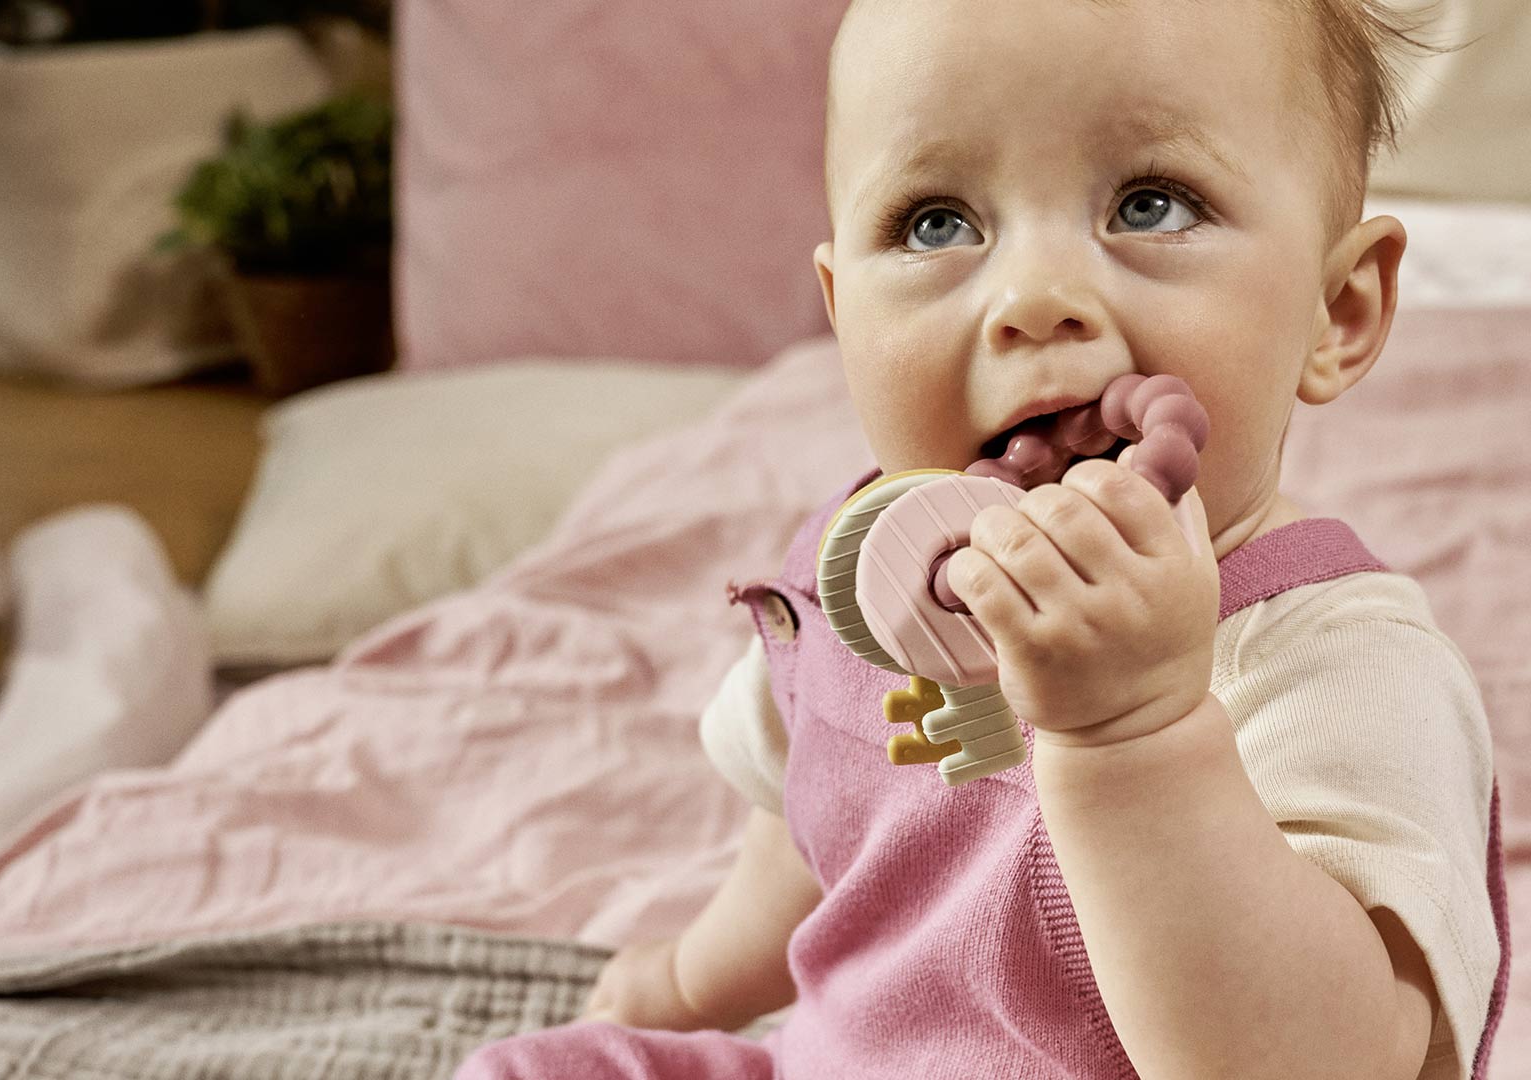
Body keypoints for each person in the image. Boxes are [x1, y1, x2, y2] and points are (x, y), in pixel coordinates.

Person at [455, 0, 1509, 1076]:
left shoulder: (1345, 672)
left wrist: (1138, 734)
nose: (1034, 299)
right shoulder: (877, 570)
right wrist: (687, 983)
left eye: (1151, 204)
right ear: (841, 310)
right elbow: (827, 827)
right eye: (935, 224)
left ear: (1336, 311)